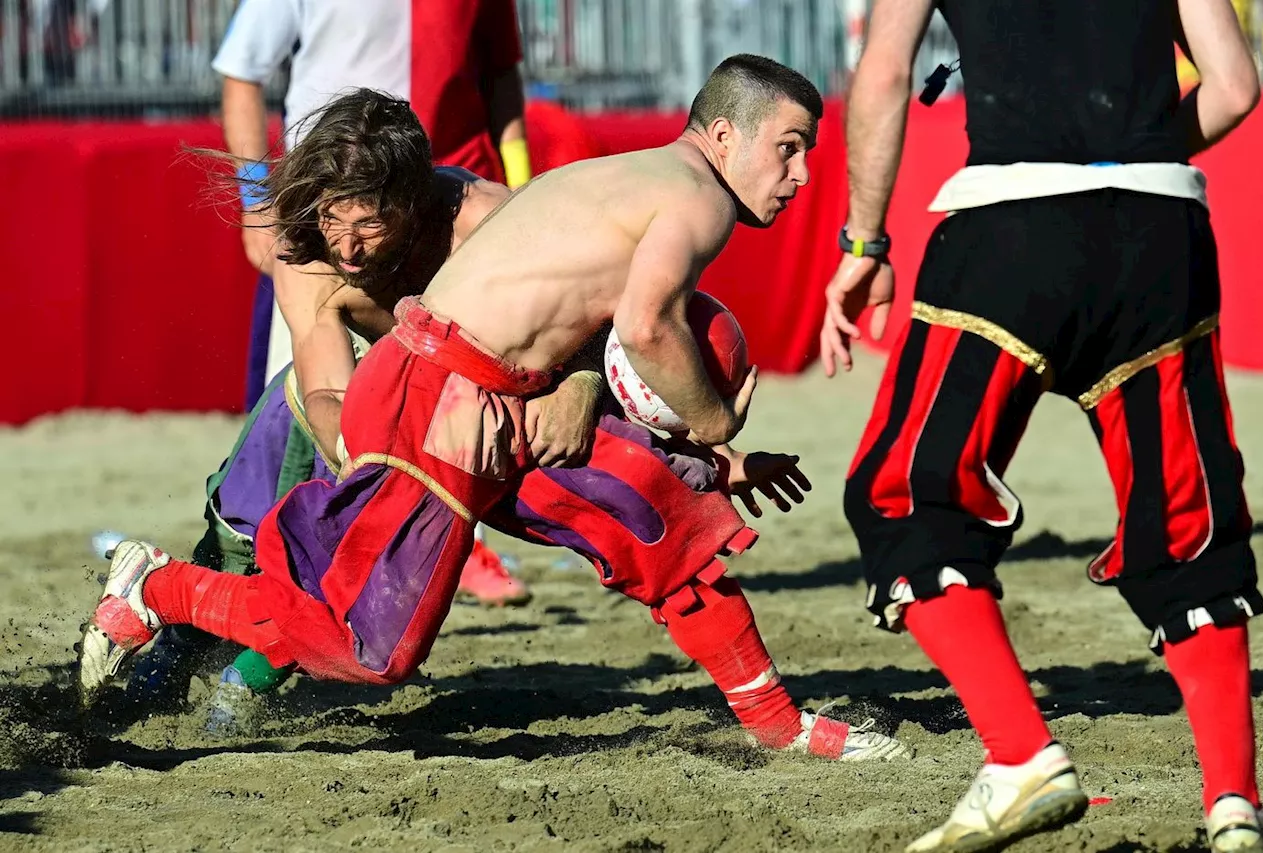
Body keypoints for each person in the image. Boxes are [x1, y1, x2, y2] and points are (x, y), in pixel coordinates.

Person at [80, 61, 912, 762]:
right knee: (356, 634)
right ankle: (163, 587)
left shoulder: (500, 203)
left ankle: (777, 723)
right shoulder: (692, 199)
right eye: (789, 150)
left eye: (367, 216)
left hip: (496, 393)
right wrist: (714, 425)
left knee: (659, 513)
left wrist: (687, 453)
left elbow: (590, 329)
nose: (801, 175)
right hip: (402, 401)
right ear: (726, 136)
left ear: (417, 197)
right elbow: (648, 327)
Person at [821, 0, 1263, 850]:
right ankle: (1234, 806)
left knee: (904, 492)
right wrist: (1135, 158)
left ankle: (1023, 754)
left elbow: (882, 76)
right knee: (1188, 517)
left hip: (1010, 225)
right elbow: (1237, 86)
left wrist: (864, 245)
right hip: (1160, 235)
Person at [212, 0, 533, 606]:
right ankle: (248, 574)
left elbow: (500, 77)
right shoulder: (311, 247)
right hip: (328, 218)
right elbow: (242, 71)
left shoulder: (479, 217)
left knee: (471, 398)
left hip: (430, 219)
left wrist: (521, 182)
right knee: (298, 427)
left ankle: (450, 539)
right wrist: (258, 204)